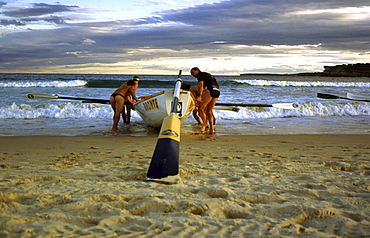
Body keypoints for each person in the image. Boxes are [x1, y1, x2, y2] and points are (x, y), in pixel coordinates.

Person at [190, 67, 220, 134]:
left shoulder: (200, 75)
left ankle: (205, 123)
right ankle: (212, 129)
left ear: (197, 70)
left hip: (210, 89)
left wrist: (200, 95)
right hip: (217, 90)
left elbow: (201, 85)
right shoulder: (208, 74)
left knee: (201, 108)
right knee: (209, 111)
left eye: (192, 72)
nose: (192, 75)